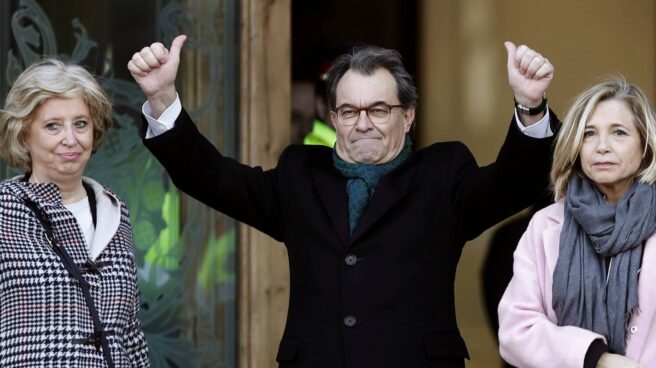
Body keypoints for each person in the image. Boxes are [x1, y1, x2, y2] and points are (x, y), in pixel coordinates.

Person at [129, 35, 558, 367]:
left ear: (407, 116)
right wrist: (163, 99)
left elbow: (512, 184)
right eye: (349, 111)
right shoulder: (301, 174)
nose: (363, 123)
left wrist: (530, 105)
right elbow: (215, 179)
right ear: (333, 118)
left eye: (379, 109)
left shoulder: (442, 175)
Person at [0, 59, 149, 367]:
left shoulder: (115, 212)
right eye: (53, 125)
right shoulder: (4, 209)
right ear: (24, 134)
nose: (70, 139)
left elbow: (131, 335)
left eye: (80, 123)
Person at [498, 78, 656, 368]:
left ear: (645, 146)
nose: (602, 147)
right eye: (588, 134)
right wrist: (596, 359)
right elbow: (515, 330)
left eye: (619, 133)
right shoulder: (546, 224)